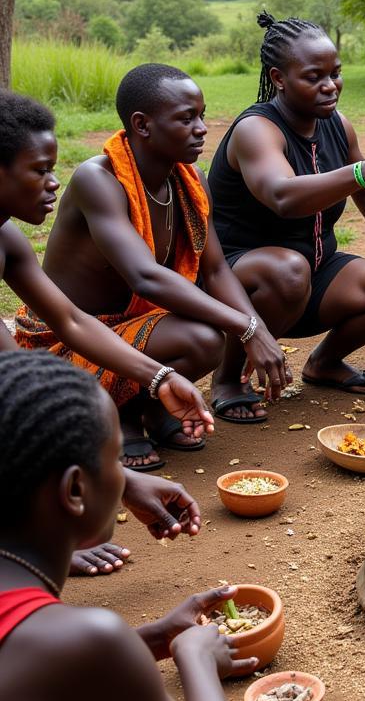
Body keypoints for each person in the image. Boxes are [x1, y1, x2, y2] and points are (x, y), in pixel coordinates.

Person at [0, 350, 266, 701]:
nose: (127, 477)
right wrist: (196, 659)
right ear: (76, 490)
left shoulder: (50, 645)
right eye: (118, 460)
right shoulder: (81, 641)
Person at [18, 65, 289, 469]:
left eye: (201, 115)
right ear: (142, 125)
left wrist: (257, 328)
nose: (201, 128)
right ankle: (123, 420)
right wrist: (245, 327)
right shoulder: (99, 179)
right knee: (206, 335)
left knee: (205, 337)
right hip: (69, 337)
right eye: (186, 118)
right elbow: (143, 276)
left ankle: (151, 408)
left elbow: (214, 271)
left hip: (135, 328)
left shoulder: (190, 178)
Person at [0, 88, 213, 577]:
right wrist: (112, 483)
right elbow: (14, 385)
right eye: (39, 171)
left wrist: (161, 379)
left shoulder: (8, 238)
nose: (55, 183)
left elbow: (72, 322)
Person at [208, 13, 365, 398]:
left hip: (311, 274)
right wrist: (362, 171)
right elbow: (283, 196)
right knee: (288, 270)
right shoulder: (257, 129)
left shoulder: (338, 125)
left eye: (335, 73)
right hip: (243, 282)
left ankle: (324, 364)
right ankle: (228, 377)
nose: (330, 86)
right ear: (279, 78)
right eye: (314, 77)